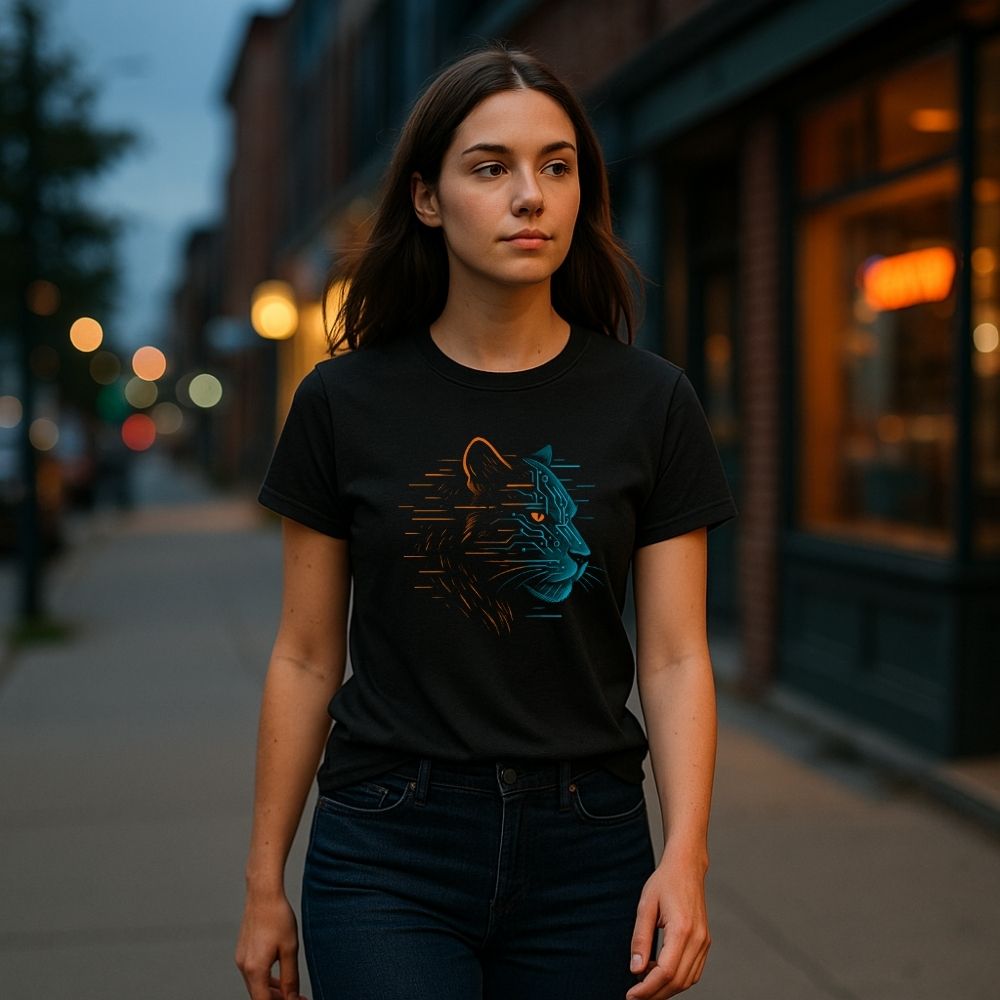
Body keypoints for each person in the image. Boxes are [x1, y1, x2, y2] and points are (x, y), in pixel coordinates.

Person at [236, 44, 736, 1000]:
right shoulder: (343, 402)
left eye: (556, 166)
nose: (530, 196)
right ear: (427, 198)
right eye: (490, 167)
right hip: (389, 839)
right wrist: (265, 882)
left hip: (589, 846)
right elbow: (305, 654)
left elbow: (675, 657)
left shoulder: (652, 401)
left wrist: (687, 856)